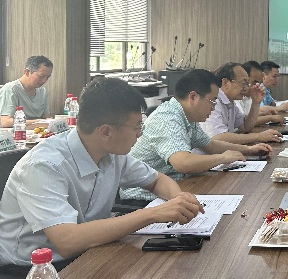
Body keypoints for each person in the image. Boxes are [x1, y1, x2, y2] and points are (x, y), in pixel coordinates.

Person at [0, 77, 204, 267]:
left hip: (89, 251)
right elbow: (67, 241)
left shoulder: (112, 154)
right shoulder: (44, 165)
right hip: (33, 267)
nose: (140, 134)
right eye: (137, 127)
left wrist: (179, 200)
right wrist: (152, 214)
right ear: (106, 131)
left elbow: (157, 180)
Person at [121, 69, 272, 202]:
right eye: (212, 101)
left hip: (174, 187)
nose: (213, 107)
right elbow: (183, 163)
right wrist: (223, 158)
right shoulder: (167, 118)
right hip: (143, 198)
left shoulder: (187, 117)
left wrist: (248, 150)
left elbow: (210, 145)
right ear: (193, 97)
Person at [200, 62, 282, 145]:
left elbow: (246, 126)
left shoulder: (230, 102)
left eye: (247, 84)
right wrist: (258, 136)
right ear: (225, 82)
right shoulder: (214, 101)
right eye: (243, 83)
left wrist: (256, 103)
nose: (246, 88)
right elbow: (217, 137)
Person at [0, 55, 54, 127]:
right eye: (41, 76)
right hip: (17, 132)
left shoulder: (42, 91)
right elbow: (6, 122)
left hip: (37, 131)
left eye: (47, 77)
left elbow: (46, 117)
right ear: (27, 72)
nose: (44, 80)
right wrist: (38, 122)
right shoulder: (11, 89)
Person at [238, 60, 285, 126]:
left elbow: (248, 117)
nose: (258, 86)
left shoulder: (249, 97)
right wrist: (270, 118)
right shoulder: (236, 99)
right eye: (255, 82)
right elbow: (244, 123)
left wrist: (264, 113)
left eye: (259, 83)